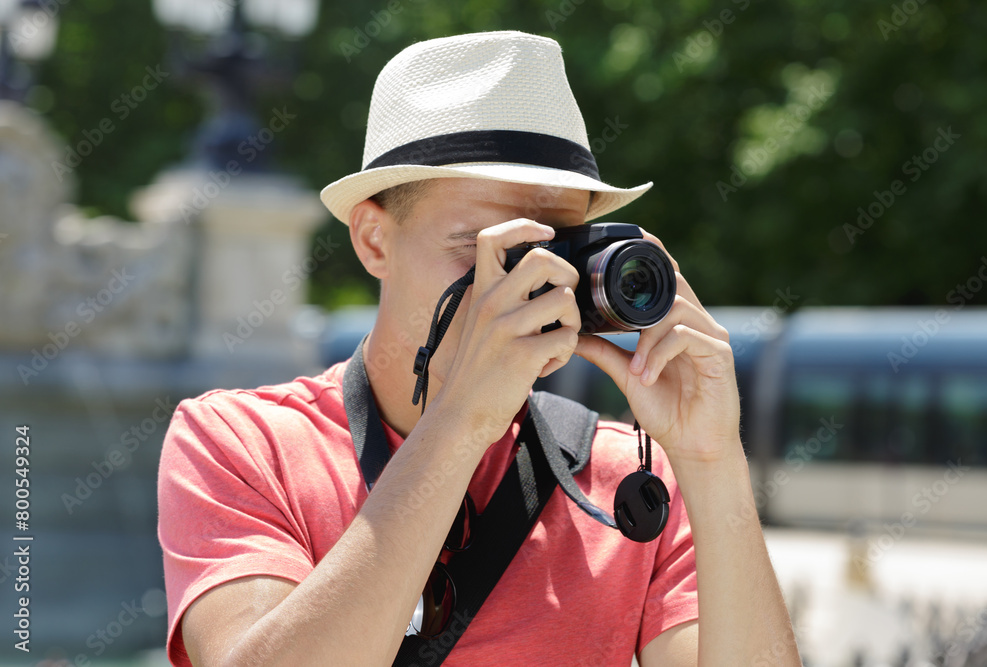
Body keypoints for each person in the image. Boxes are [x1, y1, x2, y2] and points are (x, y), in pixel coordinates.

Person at [158, 30, 800, 666]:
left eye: (559, 247)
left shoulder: (634, 475)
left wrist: (714, 461)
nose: (527, 283)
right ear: (374, 240)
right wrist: (464, 418)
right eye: (486, 246)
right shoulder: (239, 443)